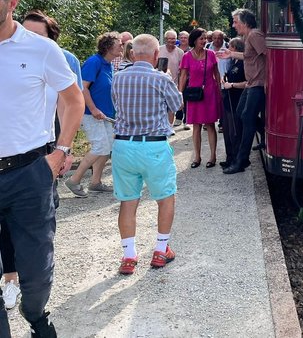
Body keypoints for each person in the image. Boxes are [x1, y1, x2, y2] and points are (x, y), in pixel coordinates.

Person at [0, 0, 85, 337]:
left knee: (36, 271)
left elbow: (73, 99)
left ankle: (35, 315)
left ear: (11, 3)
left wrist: (61, 150)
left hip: (28, 173)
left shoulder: (40, 49)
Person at [111, 34, 183, 275]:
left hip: (124, 146)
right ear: (155, 55)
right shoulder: (161, 79)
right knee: (165, 198)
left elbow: (116, 105)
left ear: (132, 54)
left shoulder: (118, 78)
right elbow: (177, 105)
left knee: (128, 201)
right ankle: (161, 250)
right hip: (153, 146)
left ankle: (129, 256)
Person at [65, 32, 122, 197]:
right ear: (109, 47)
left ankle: (95, 182)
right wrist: (94, 108)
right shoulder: (94, 62)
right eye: (119, 43)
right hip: (91, 113)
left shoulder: (108, 64)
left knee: (108, 146)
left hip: (105, 114)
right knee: (100, 147)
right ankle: (74, 180)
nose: (122, 46)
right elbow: (82, 88)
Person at [218, 9, 266, 175]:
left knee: (246, 117)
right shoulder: (248, 37)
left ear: (245, 23)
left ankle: (241, 161)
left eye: (235, 22)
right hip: (251, 83)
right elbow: (249, 56)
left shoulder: (254, 35)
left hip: (258, 84)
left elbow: (269, 55)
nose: (233, 25)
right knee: (241, 113)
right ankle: (265, 133)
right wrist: (231, 54)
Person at [178, 28, 221, 168]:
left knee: (210, 125)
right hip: (194, 94)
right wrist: (179, 94)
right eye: (201, 39)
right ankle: (197, 157)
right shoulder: (187, 56)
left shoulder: (211, 54)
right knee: (196, 125)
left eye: (205, 38)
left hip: (209, 92)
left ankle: (213, 156)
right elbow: (183, 76)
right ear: (195, 40)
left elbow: (216, 73)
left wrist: (220, 90)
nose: (204, 41)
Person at [219, 37, 247, 168]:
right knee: (228, 131)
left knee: (235, 132)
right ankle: (230, 158)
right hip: (228, 100)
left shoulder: (243, 64)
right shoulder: (232, 62)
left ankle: (237, 160)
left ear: (235, 48)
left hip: (236, 100)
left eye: (230, 47)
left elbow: (248, 83)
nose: (228, 49)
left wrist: (233, 85)